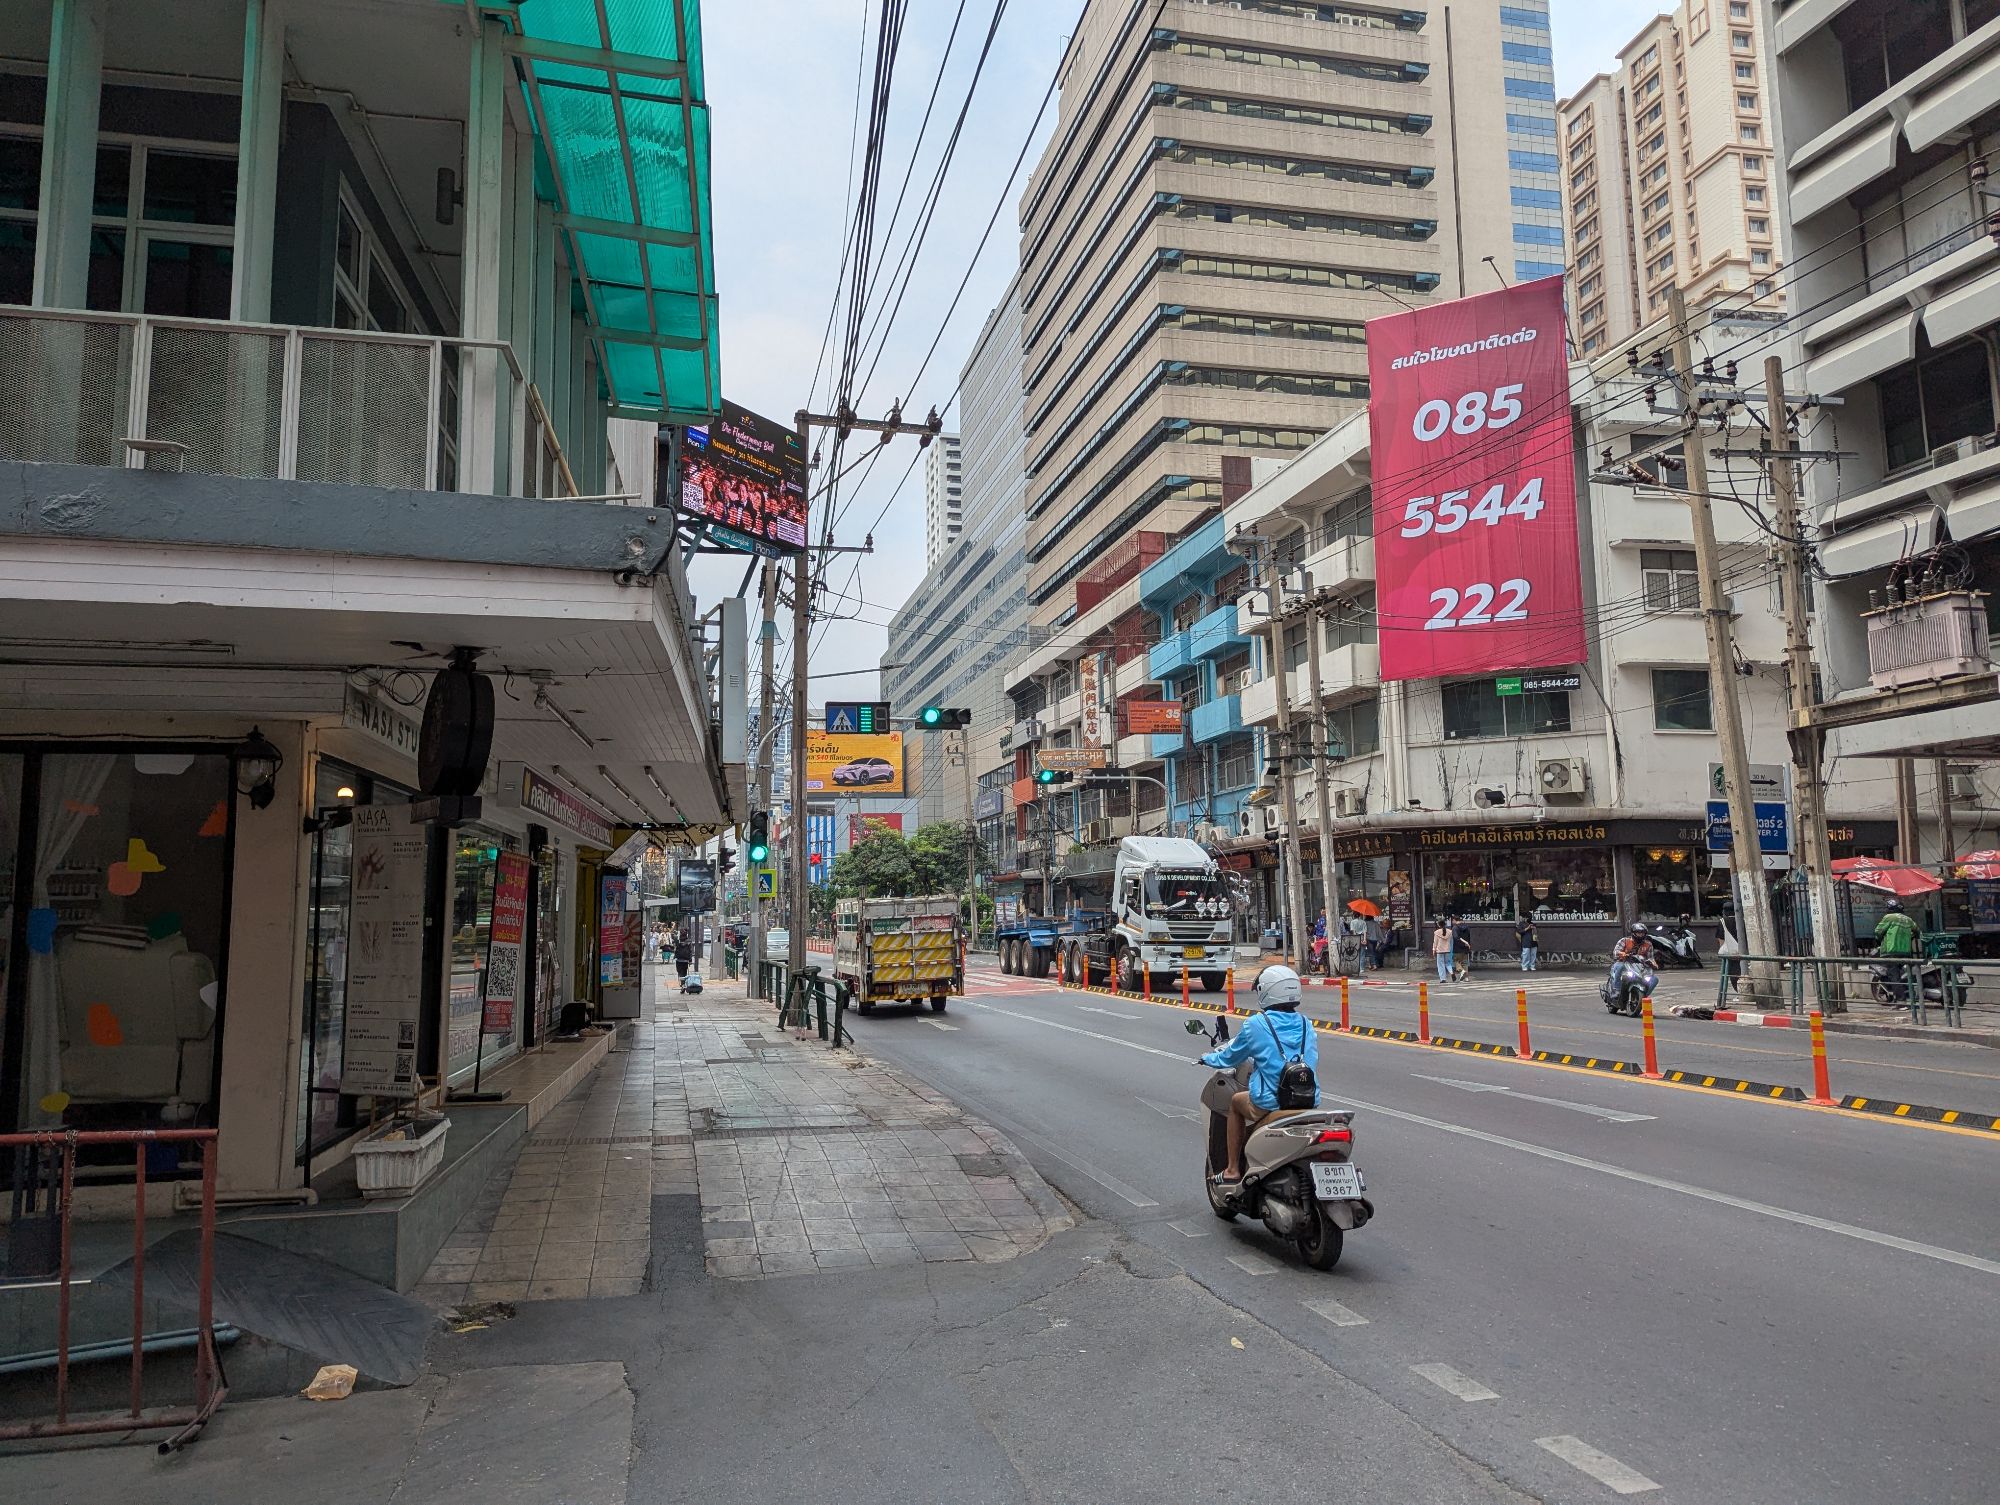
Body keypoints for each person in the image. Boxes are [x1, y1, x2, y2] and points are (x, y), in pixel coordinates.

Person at [1198, 964, 1318, 1184]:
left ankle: (1232, 1169)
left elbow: (1230, 1057)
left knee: (1236, 1102)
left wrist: (1207, 1058)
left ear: (1266, 991)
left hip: (1271, 1101)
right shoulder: (1306, 1024)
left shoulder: (1256, 1024)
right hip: (1308, 1099)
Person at [1873, 898, 1920, 1001]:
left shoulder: (1889, 917)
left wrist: (1880, 939)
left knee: (1894, 976)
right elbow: (1917, 932)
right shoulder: (1908, 919)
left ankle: (1901, 1001)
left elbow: (1878, 931)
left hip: (1891, 951)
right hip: (1906, 952)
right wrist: (1909, 937)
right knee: (1905, 975)